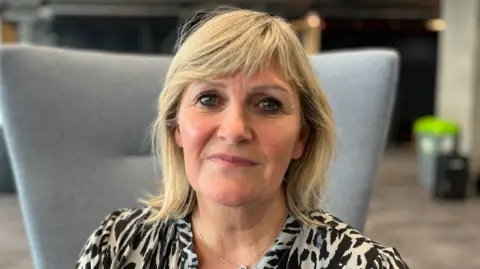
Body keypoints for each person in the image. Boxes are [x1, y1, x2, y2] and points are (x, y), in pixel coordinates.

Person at [76, 7, 409, 269]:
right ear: (175, 127)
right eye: (209, 99)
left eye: (268, 104)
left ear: (301, 139)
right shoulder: (116, 245)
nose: (234, 130)